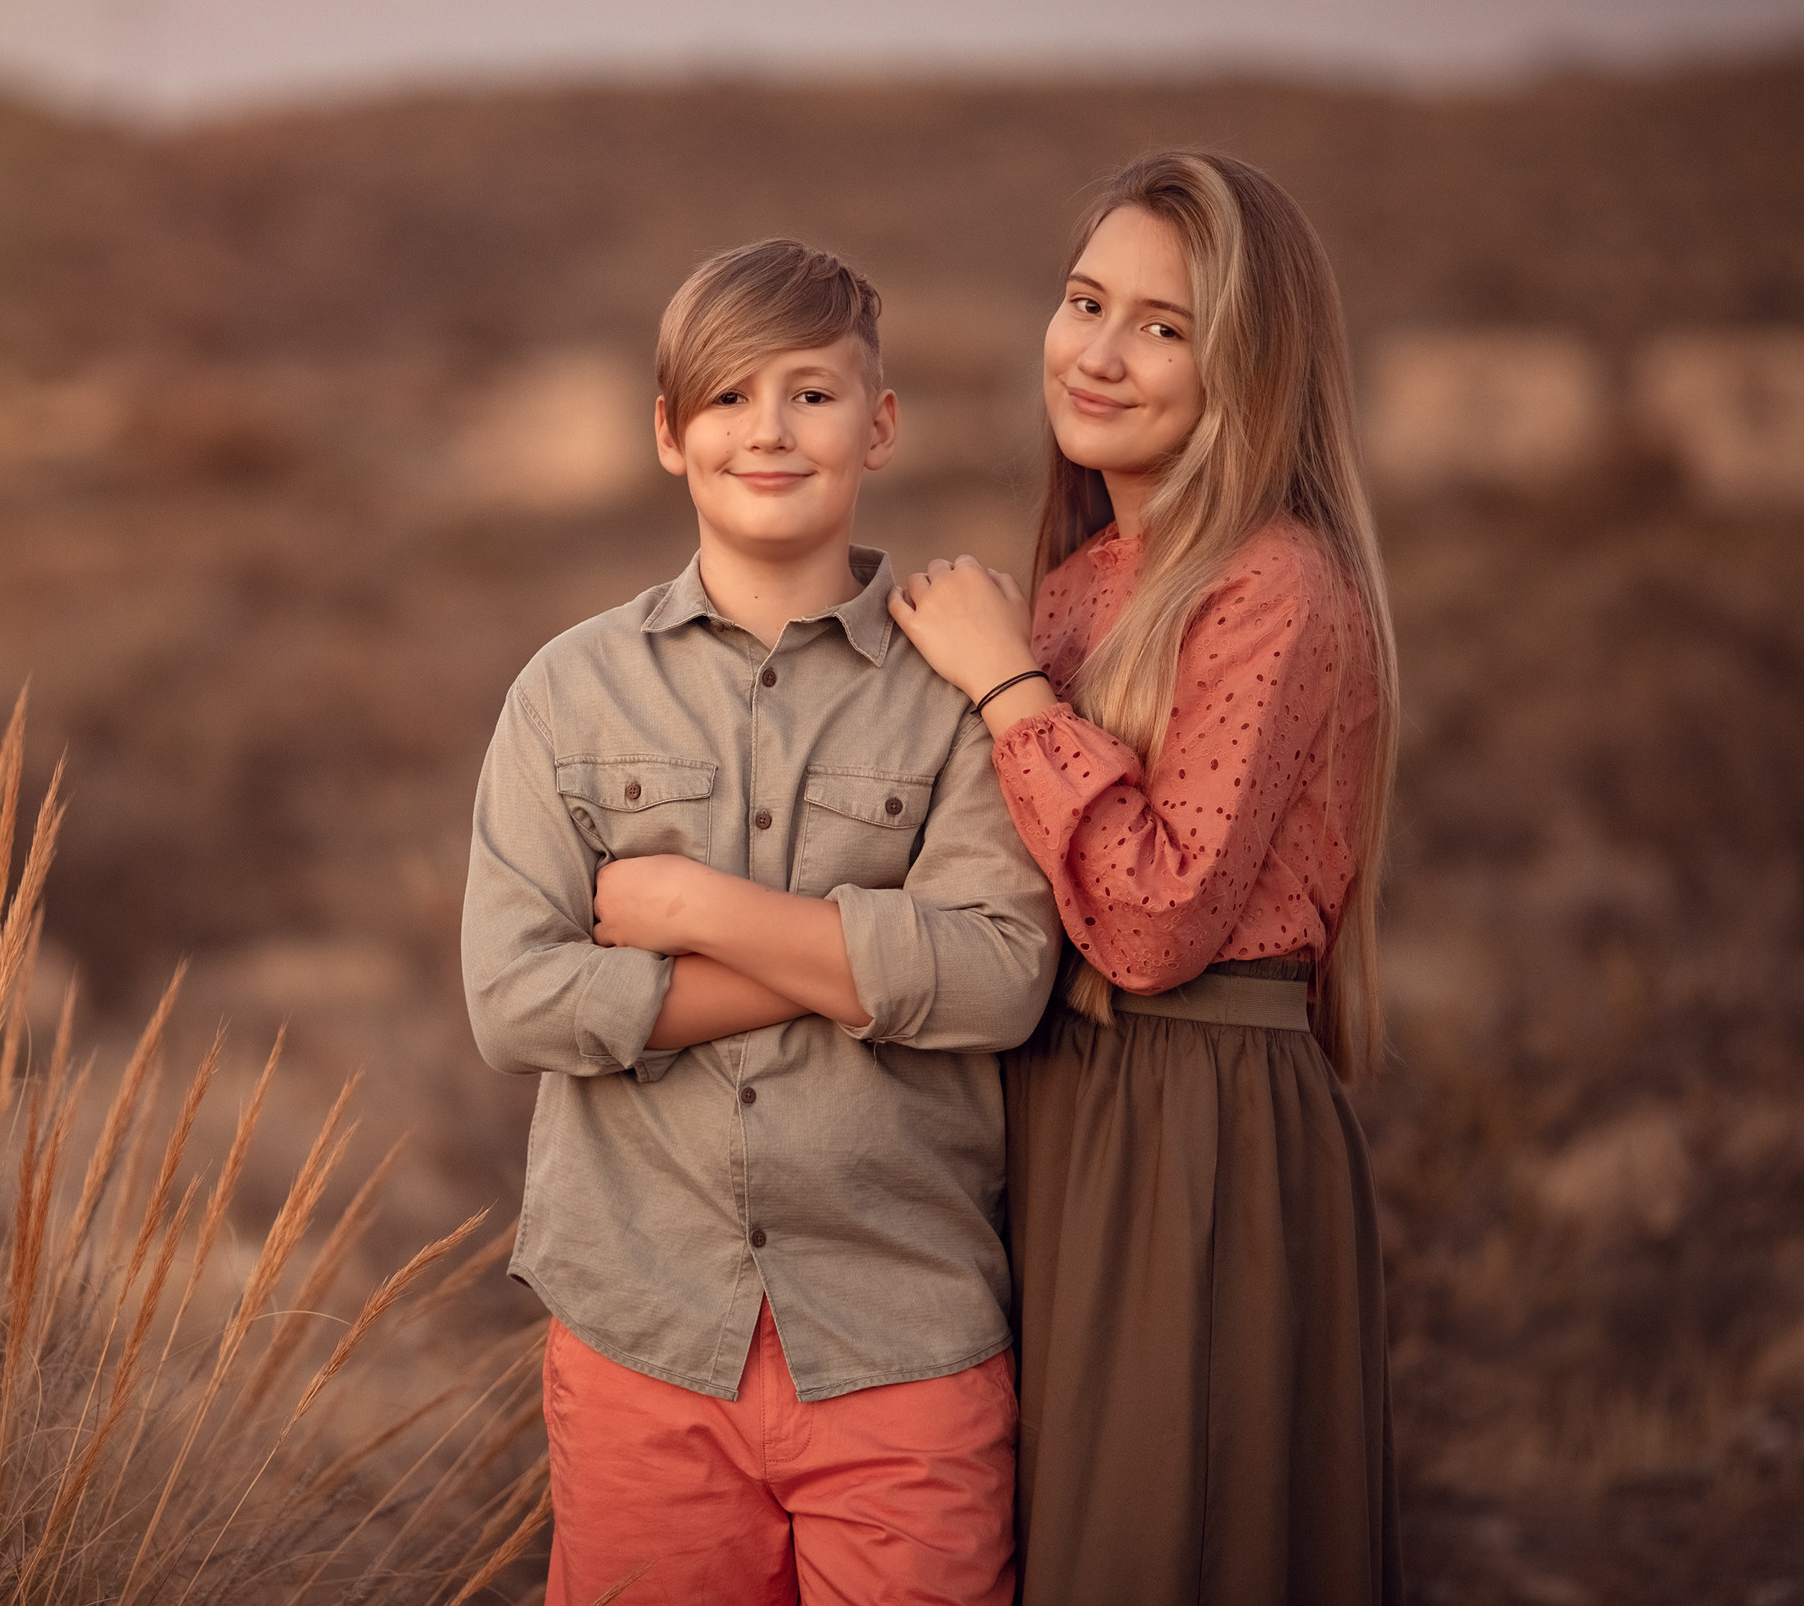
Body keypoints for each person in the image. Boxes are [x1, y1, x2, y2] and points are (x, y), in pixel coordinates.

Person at [460, 238, 1061, 1606]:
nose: (770, 430)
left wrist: (695, 911)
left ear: (880, 425)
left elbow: (1001, 974)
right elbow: (514, 1000)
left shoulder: (956, 685)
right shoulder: (568, 692)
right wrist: (852, 955)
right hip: (644, 1336)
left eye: (812, 393)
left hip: (906, 1341)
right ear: (670, 435)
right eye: (729, 397)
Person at [887, 149, 1403, 1604]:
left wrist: (1006, 692)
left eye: (1162, 325)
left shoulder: (1273, 583)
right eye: (1084, 302)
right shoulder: (1074, 585)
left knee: (1164, 1545)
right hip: (1062, 1103)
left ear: (1248, 363)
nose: (1099, 354)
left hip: (1198, 1115)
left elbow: (1155, 919)